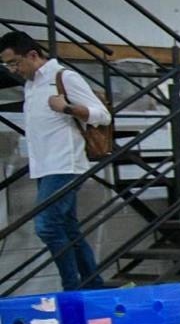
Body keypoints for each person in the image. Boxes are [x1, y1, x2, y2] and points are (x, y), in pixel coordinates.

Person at [0, 31, 107, 290]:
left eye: (15, 63)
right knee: (68, 228)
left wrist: (67, 108)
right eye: (7, 65)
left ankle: (71, 287)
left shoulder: (65, 77)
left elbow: (103, 116)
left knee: (47, 227)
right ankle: (93, 286)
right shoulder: (31, 84)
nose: (13, 69)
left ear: (33, 55)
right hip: (44, 167)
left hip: (65, 164)